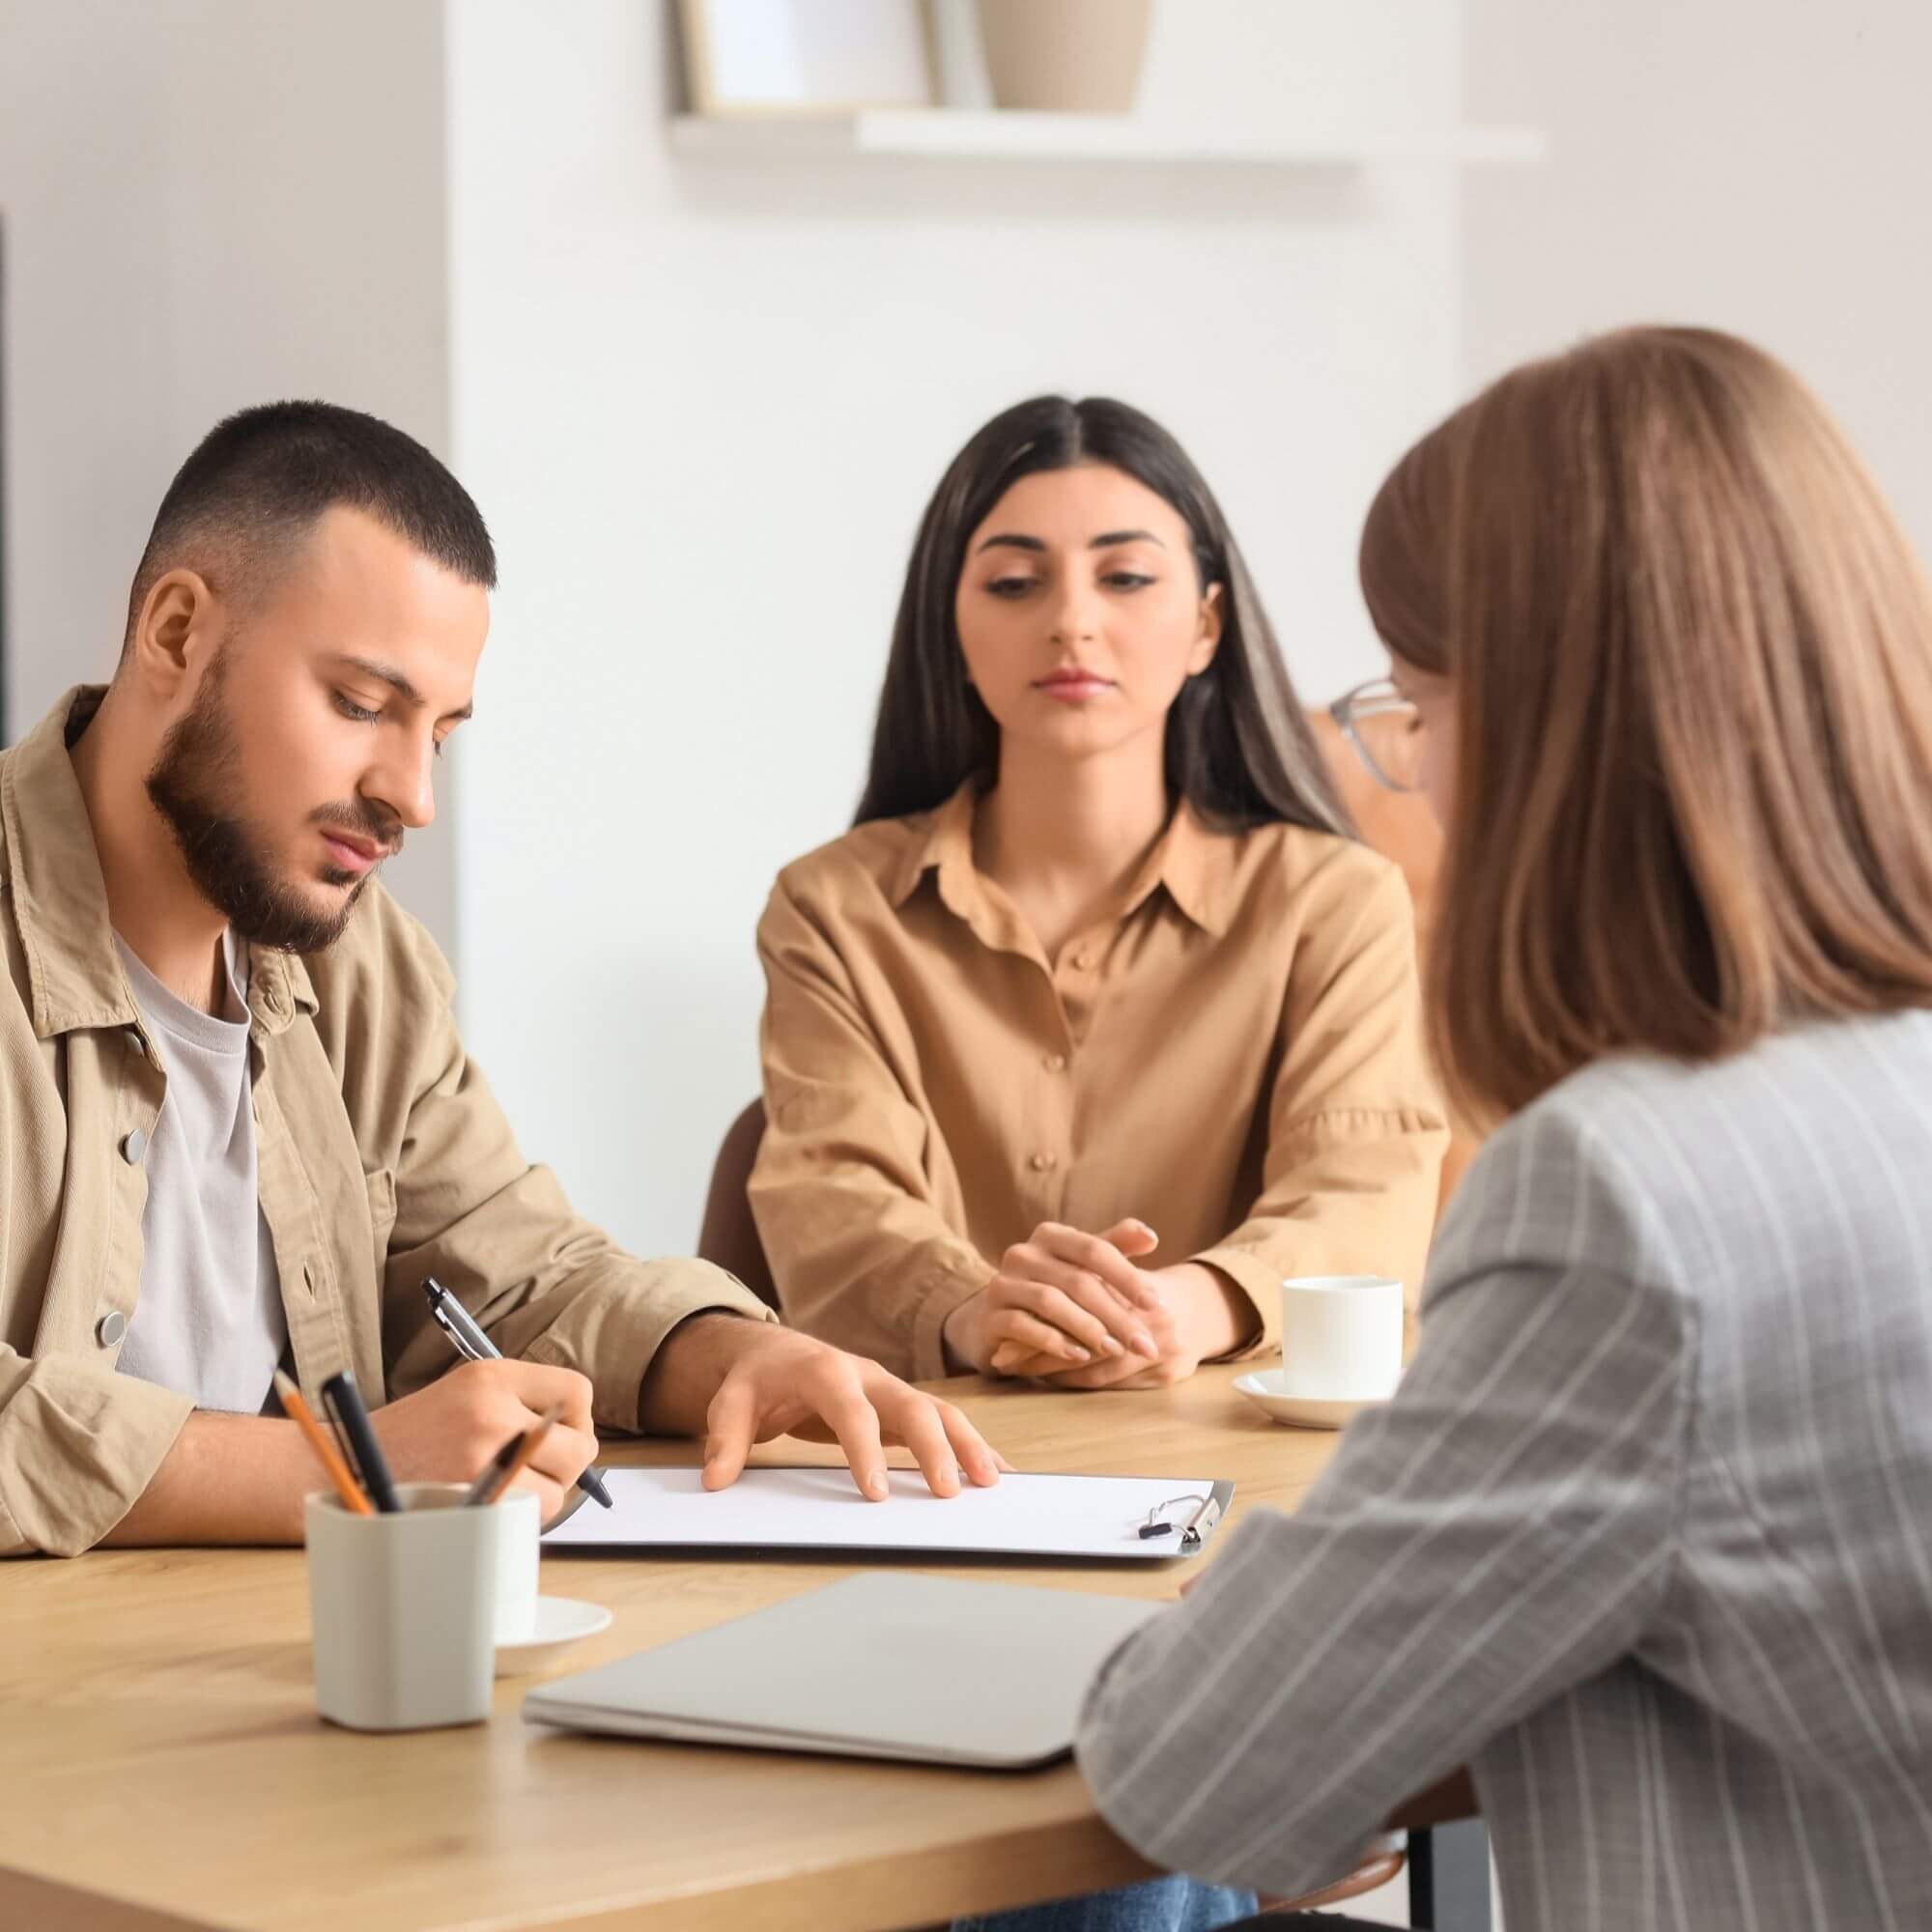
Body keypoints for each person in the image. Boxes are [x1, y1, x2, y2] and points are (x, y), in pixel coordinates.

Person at [1073, 327, 1932, 1926]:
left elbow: (1204, 1770)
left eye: (1416, 703)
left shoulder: (1629, 1198)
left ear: (1555, 733)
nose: (1412, 770)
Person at [0, 401, 1003, 1558]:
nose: (411, 795)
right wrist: (343, 1473)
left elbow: (517, 1268)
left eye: (439, 731)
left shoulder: (366, 964)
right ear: (174, 632)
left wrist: (726, 1353)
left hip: (308, 1674)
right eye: (362, 704)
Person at [751, 396, 1448, 1388]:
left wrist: (1188, 1306)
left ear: (1206, 624)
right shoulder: (832, 907)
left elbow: (1362, 1194)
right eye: (1012, 581)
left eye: (1124, 577)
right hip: (938, 1466)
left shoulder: (1335, 902)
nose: (1071, 621)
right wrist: (973, 1308)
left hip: (1234, 1463)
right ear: (952, 624)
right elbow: (832, 1201)